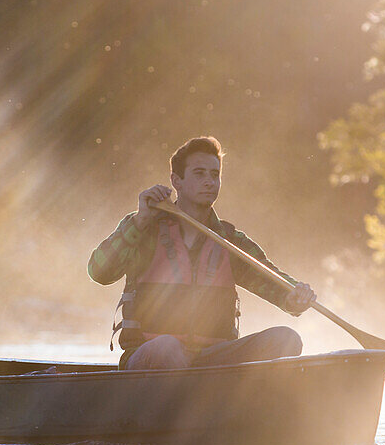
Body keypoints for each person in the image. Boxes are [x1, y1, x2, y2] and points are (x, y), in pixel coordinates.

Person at [89, 136, 317, 370]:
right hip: (149, 358)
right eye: (199, 174)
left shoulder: (230, 240)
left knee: (286, 339)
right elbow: (99, 271)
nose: (209, 182)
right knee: (167, 346)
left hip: (210, 364)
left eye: (214, 174)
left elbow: (275, 282)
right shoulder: (144, 229)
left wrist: (296, 296)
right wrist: (140, 220)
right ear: (176, 181)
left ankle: (229, 402)